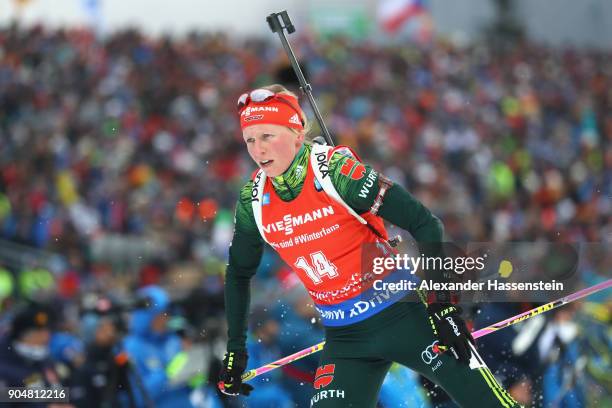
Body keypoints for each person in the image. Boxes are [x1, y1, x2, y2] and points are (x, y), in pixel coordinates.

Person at [217, 84, 521, 407]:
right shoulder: (253, 201)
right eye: (250, 139)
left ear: (296, 132)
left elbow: (425, 223)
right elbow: (238, 274)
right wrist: (235, 350)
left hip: (405, 316)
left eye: (267, 136)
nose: (258, 150)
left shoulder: (336, 171)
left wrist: (442, 304)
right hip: (345, 339)